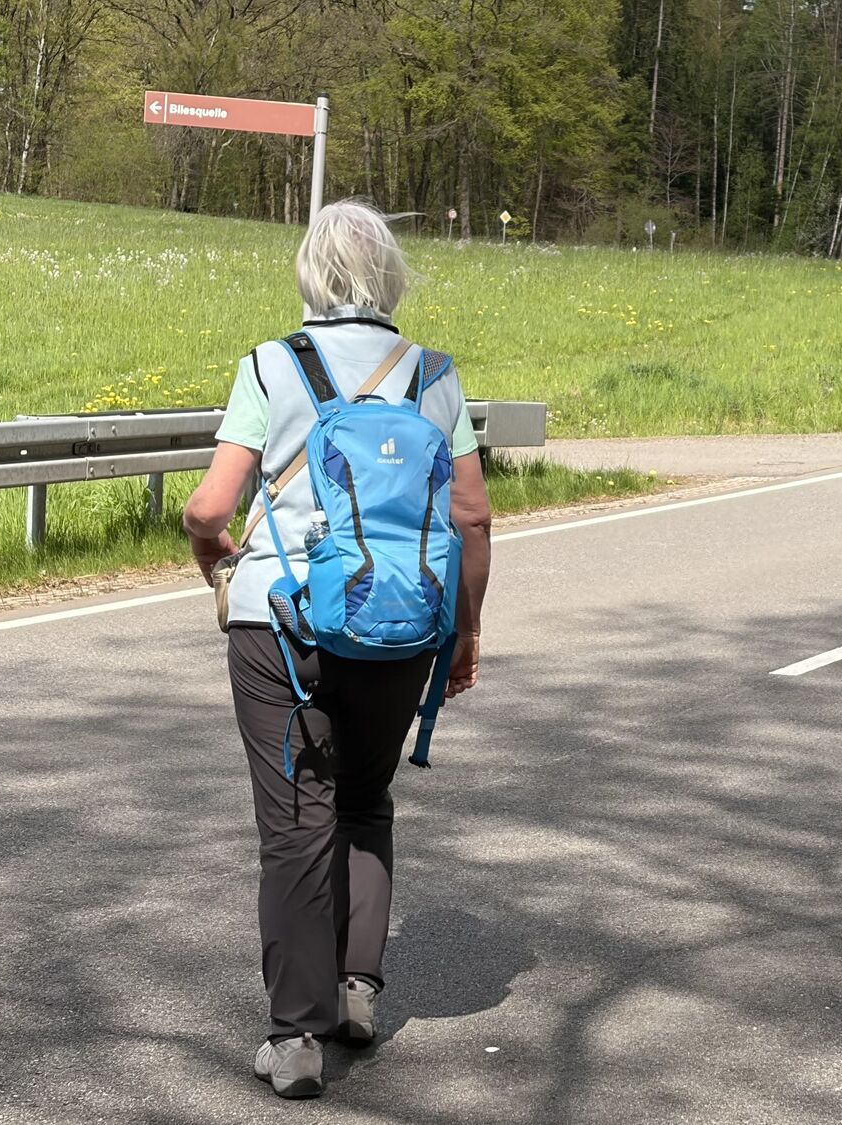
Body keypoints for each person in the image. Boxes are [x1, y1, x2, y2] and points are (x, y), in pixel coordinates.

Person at [181, 200, 492, 1099]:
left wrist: (212, 550)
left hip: (280, 623)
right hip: (399, 624)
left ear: (310, 275)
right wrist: (465, 629)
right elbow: (472, 517)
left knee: (295, 822)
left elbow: (211, 505)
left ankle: (295, 1038)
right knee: (364, 799)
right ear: (390, 278)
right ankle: (357, 992)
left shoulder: (271, 365)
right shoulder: (434, 376)